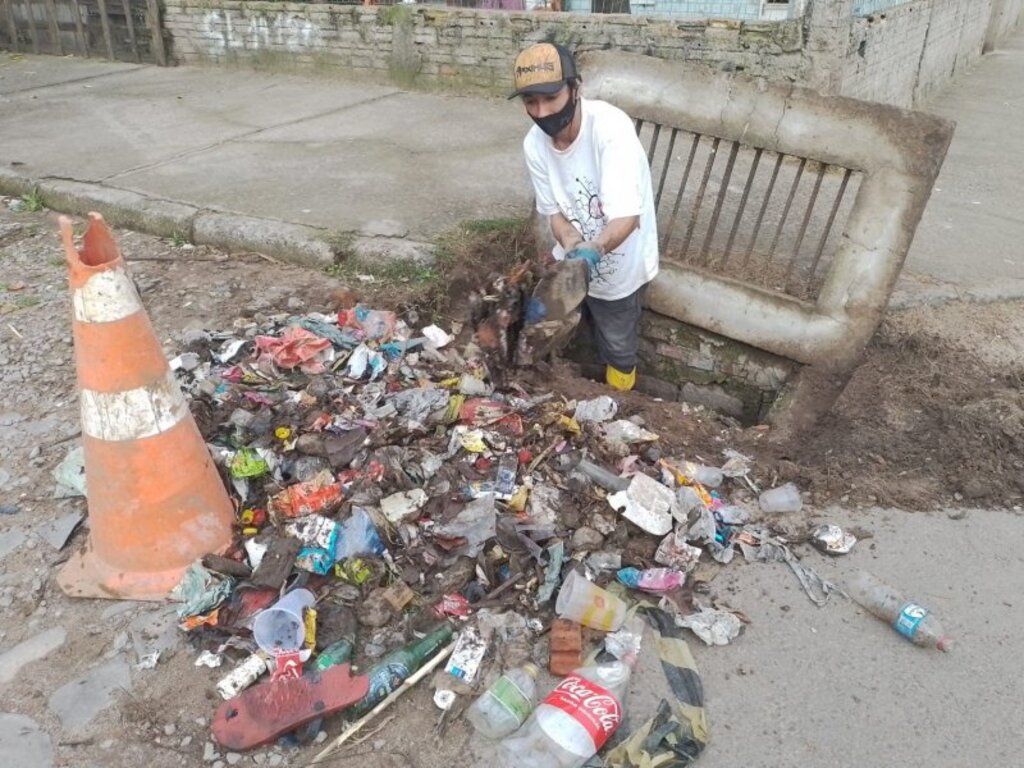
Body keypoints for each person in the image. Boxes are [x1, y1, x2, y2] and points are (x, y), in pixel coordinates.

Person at [509, 41, 658, 392]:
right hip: (570, 264)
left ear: (576, 88)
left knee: (618, 347)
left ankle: (620, 402)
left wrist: (594, 249)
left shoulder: (609, 130)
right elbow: (554, 215)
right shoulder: (535, 145)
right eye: (531, 102)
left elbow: (627, 219)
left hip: (620, 267)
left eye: (551, 97)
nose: (542, 112)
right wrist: (573, 244)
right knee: (555, 332)